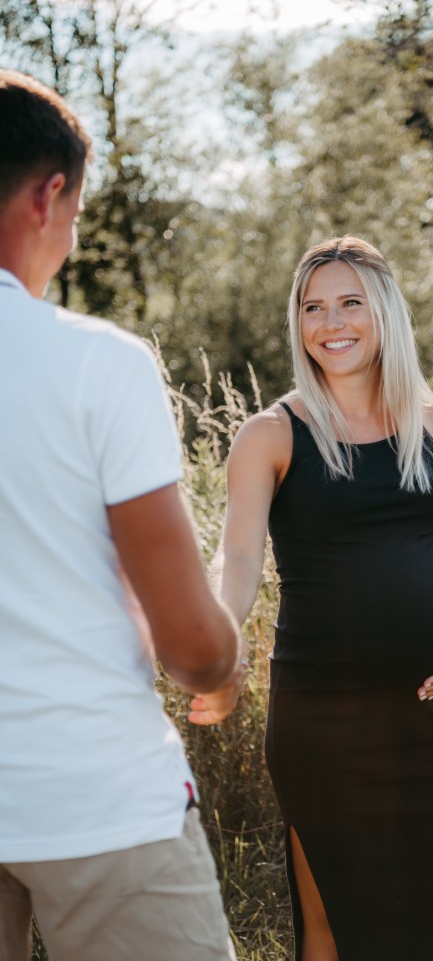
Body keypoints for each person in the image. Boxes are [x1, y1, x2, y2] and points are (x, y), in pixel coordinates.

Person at [0, 70, 245, 961]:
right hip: (97, 800)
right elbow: (193, 646)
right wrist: (223, 666)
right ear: (49, 195)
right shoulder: (96, 363)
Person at [193, 235, 433, 960]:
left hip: (432, 712)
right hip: (321, 717)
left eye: (350, 303)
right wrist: (218, 648)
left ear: (384, 311)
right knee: (330, 920)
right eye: (313, 307)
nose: (331, 323)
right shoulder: (271, 434)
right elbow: (238, 558)